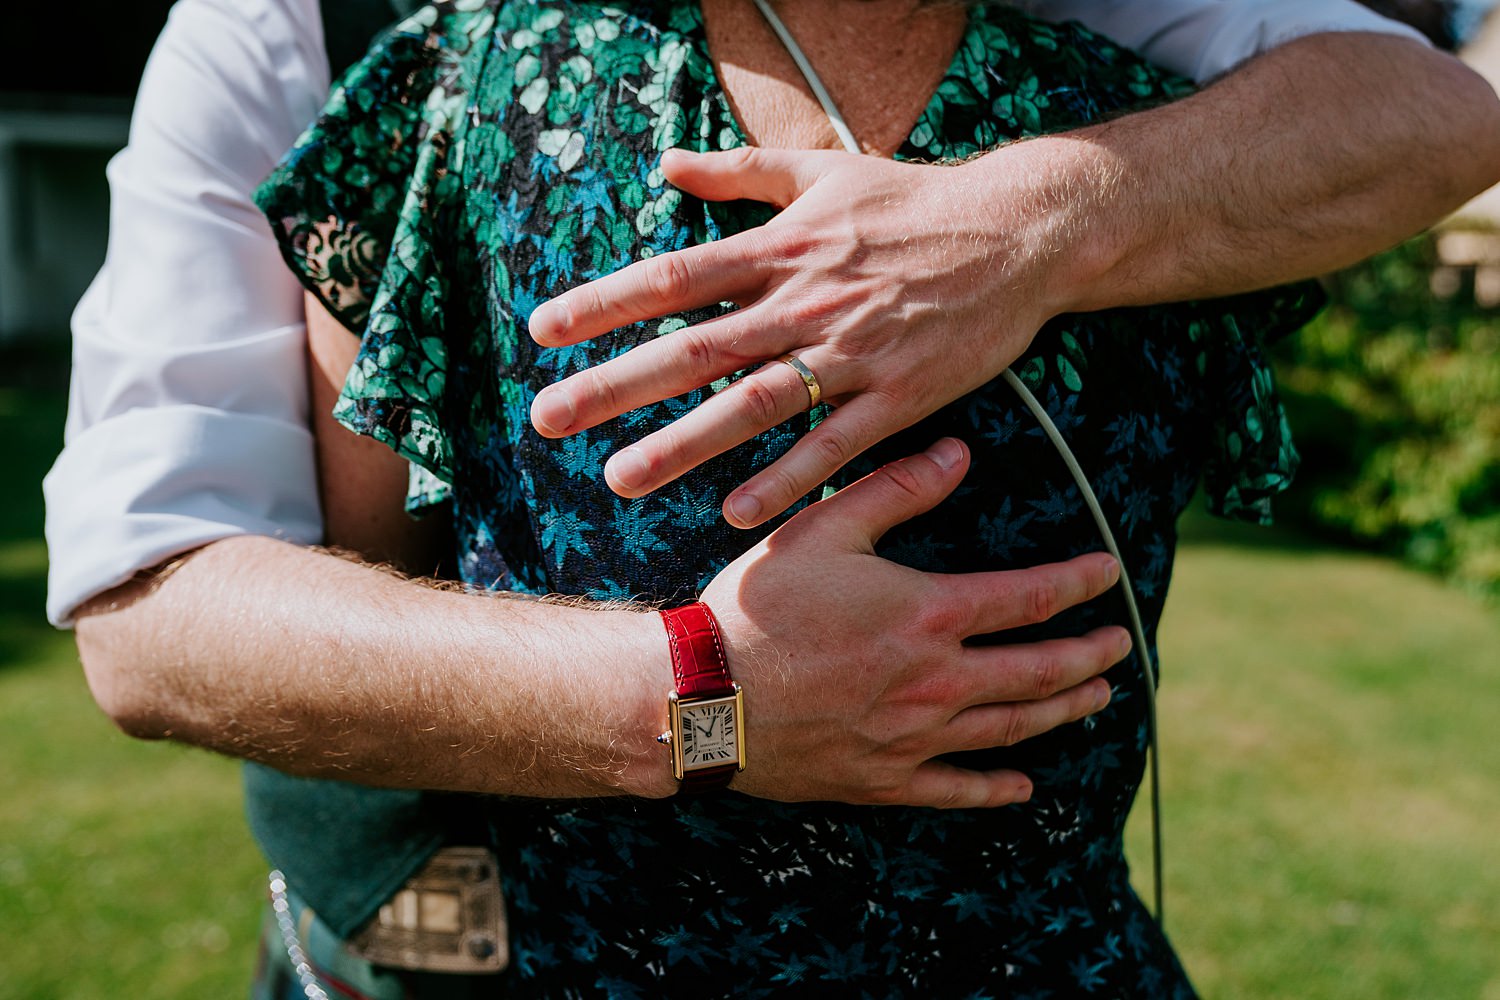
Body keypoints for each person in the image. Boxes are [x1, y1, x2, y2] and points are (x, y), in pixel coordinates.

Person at [45, 0, 1500, 996]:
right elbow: (150, 608)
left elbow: (1421, 111)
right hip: (422, 953)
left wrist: (1040, 218)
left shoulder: (1140, 72)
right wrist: (709, 692)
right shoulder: (364, 51)